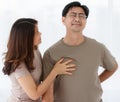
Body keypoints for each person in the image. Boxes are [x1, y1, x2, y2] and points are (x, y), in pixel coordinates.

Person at [42, 1, 118, 102]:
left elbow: (113, 67)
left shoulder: (98, 47)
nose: (77, 19)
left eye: (82, 16)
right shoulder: (51, 53)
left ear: (86, 21)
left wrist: (96, 82)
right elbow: (48, 93)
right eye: (73, 15)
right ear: (63, 20)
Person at [2, 18, 76, 102]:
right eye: (36, 32)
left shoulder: (34, 51)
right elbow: (34, 94)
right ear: (27, 38)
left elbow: (42, 78)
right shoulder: (18, 65)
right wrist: (55, 71)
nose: (40, 33)